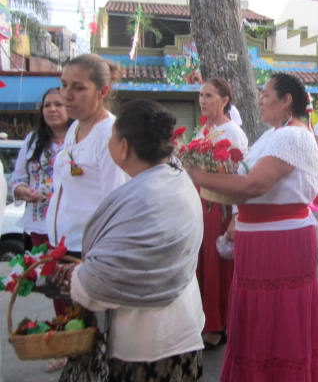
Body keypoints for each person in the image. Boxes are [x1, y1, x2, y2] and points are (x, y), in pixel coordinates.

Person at [53, 100, 205, 381]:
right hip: (181, 327)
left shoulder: (145, 197)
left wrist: (65, 276)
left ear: (123, 147)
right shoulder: (176, 177)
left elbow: (99, 283)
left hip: (146, 345)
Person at [186, 72, 318, 381]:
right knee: (257, 317)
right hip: (259, 238)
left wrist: (194, 173)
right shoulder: (272, 135)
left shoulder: (294, 136)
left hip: (281, 240)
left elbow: (253, 184)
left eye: (265, 93)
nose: (259, 99)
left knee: (278, 318)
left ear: (286, 100)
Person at [45, 54, 128, 372]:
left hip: (89, 252)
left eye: (78, 87)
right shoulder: (75, 129)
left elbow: (114, 201)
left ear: (103, 91)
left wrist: (98, 258)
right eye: (64, 85)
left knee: (95, 342)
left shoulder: (109, 135)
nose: (67, 95)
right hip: (65, 246)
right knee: (75, 334)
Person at [192, 78, 248, 349]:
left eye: (209, 95)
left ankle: (218, 324)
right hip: (199, 206)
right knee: (200, 266)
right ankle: (204, 320)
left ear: (225, 100)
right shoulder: (202, 130)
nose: (203, 100)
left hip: (220, 208)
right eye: (201, 95)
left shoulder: (232, 132)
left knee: (217, 267)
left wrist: (237, 216)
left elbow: (241, 175)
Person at [10, 88, 72, 250]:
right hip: (39, 225)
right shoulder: (32, 140)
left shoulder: (80, 140)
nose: (52, 109)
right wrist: (23, 190)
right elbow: (17, 179)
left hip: (72, 226)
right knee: (41, 270)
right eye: (47, 105)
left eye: (59, 104)